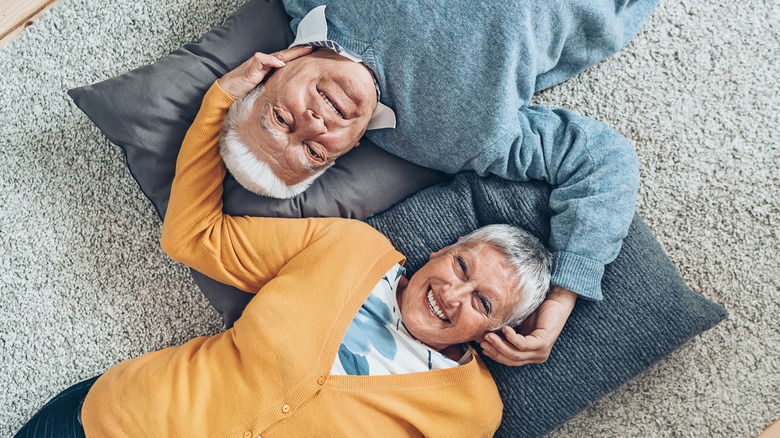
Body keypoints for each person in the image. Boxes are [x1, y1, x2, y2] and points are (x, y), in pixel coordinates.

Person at [15, 62, 554, 437]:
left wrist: (561, 303)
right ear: (441, 251)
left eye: (483, 303)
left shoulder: (471, 411)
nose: (452, 293)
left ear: (494, 334)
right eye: (461, 266)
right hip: (121, 424)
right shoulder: (348, 248)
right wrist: (221, 101)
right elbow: (196, 237)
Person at [214, 0, 657, 369]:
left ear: (266, 74)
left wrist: (219, 96)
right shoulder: (455, 141)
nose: (313, 124)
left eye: (280, 119)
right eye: (314, 152)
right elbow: (601, 161)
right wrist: (560, 300)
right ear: (341, 156)